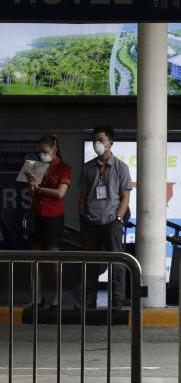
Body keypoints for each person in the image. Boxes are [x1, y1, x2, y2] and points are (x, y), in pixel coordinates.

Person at [77, 125, 133, 309]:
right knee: (90, 264)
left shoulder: (120, 168)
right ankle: (88, 300)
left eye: (100, 140)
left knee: (117, 263)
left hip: (111, 221)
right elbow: (83, 195)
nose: (97, 144)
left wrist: (118, 217)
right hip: (90, 221)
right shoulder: (88, 168)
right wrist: (82, 215)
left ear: (111, 143)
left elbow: (125, 195)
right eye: (95, 140)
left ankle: (116, 300)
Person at [23, 134, 72, 309]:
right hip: (37, 215)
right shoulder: (37, 167)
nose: (41, 155)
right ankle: (37, 296)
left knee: (54, 258)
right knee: (35, 258)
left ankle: (57, 297)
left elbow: (60, 194)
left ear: (54, 149)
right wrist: (31, 184)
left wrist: (40, 188)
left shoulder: (64, 168)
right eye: (39, 152)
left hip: (54, 217)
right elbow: (32, 194)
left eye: (44, 152)